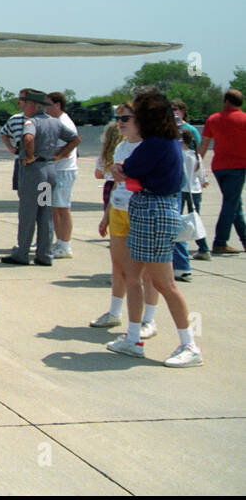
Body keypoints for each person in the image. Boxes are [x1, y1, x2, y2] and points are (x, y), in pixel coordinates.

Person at [106, 91, 203, 367]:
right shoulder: (169, 141)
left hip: (154, 211)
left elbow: (128, 168)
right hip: (150, 208)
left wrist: (121, 168)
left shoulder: (156, 144)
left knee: (164, 283)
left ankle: (189, 344)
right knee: (132, 274)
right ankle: (133, 337)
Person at [90, 104, 159, 334]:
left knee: (148, 270)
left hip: (141, 210)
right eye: (118, 118)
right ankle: (114, 312)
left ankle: (148, 320)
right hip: (119, 208)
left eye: (125, 118)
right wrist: (106, 214)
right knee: (118, 265)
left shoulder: (149, 147)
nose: (120, 122)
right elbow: (117, 183)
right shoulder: (120, 148)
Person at [2, 89, 75, 266]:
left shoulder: (31, 122)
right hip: (49, 169)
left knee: (28, 213)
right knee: (45, 213)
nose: (23, 106)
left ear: (33, 105)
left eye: (25, 103)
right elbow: (75, 139)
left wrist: (28, 156)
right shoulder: (54, 123)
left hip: (34, 171)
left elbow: (27, 139)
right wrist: (60, 154)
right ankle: (44, 253)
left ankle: (22, 252)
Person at [199, 89, 246, 255]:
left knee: (234, 203)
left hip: (219, 166)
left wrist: (197, 164)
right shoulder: (244, 119)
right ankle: (220, 241)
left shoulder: (214, 119)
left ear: (226, 101)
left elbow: (204, 143)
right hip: (238, 166)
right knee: (230, 203)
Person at [45, 92, 83, 259]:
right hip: (56, 170)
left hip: (64, 170)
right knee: (54, 208)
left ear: (58, 105)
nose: (45, 108)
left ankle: (65, 245)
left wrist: (56, 156)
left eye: (48, 104)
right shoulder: (55, 121)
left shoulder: (64, 122)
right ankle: (59, 242)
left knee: (62, 208)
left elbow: (73, 142)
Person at [180, 129, 211, 263]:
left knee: (177, 218)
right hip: (195, 190)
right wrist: (203, 181)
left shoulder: (180, 155)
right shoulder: (195, 155)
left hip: (182, 190)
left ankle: (177, 246)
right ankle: (203, 248)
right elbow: (201, 175)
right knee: (195, 218)